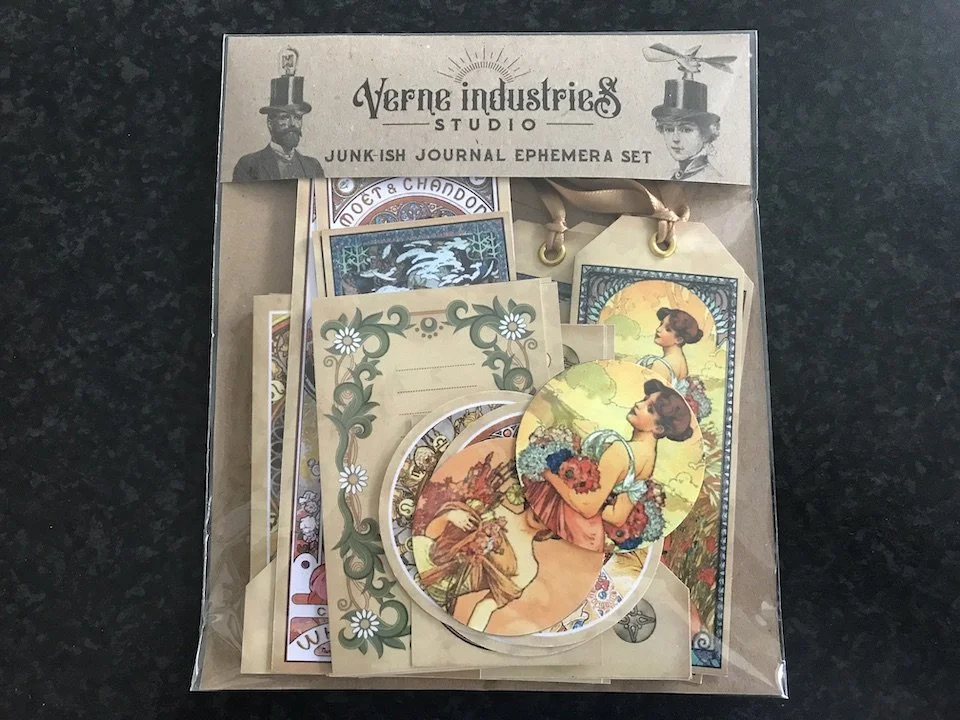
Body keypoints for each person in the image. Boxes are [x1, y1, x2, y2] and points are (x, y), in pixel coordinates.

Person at [527, 379, 694, 551]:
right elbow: (618, 517)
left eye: (649, 409)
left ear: (658, 429)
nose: (638, 404)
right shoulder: (648, 460)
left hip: (569, 523)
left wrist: (547, 472)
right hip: (591, 535)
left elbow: (587, 507)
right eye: (645, 399)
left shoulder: (620, 452)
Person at [233, 49, 324, 182]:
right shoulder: (250, 165)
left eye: (298, 117)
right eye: (285, 117)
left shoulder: (313, 167)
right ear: (270, 122)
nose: (293, 123)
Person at [651, 78, 722, 181]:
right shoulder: (668, 175)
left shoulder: (711, 178)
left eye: (686, 130)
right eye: (669, 129)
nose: (675, 138)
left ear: (705, 135)